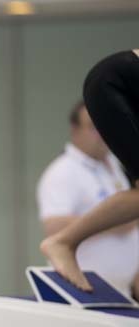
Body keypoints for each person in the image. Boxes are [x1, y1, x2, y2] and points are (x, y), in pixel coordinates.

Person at [41, 49, 139, 296]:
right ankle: (64, 243)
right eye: (93, 127)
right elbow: (53, 224)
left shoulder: (113, 166)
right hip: (113, 82)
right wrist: (122, 222)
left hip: (119, 288)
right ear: (75, 129)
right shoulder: (62, 171)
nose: (102, 134)